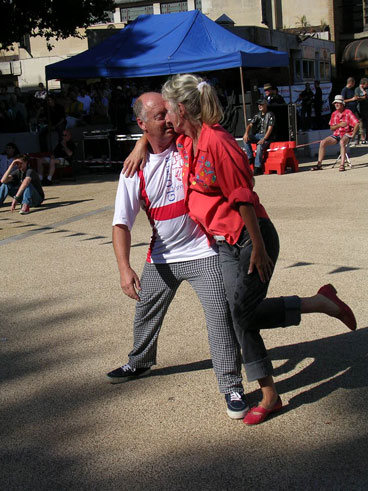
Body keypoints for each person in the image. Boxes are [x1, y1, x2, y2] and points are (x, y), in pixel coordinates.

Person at [127, 74, 357, 425]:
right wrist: (141, 142)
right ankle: (317, 302)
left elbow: (243, 199)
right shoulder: (190, 140)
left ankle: (269, 395)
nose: (166, 119)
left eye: (168, 111)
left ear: (182, 110)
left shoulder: (218, 142)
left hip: (250, 238)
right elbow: (156, 135)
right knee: (240, 314)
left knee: (240, 317)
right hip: (225, 243)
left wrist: (259, 249)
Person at [108, 92, 247, 420]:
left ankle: (231, 386)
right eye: (158, 117)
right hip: (162, 257)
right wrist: (124, 267)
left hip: (203, 252)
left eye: (169, 114)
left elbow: (207, 126)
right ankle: (139, 363)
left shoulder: (188, 145)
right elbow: (121, 224)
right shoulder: (133, 170)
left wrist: (144, 139)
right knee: (145, 313)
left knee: (219, 319)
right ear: (142, 123)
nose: (168, 121)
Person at [312, 95, 359, 172]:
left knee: (342, 142)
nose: (336, 104)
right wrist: (339, 125)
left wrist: (353, 134)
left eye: (338, 103)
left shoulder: (348, 112)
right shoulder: (334, 114)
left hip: (347, 133)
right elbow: (331, 128)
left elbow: (357, 123)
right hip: (337, 134)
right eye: (335, 103)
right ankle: (319, 164)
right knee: (323, 142)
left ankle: (342, 164)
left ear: (343, 104)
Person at [243, 99, 275, 175]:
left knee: (259, 146)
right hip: (258, 135)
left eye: (261, 104)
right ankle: (250, 158)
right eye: (258, 104)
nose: (259, 106)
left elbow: (270, 128)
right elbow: (250, 125)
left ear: (265, 104)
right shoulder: (258, 115)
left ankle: (258, 167)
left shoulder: (270, 115)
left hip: (268, 136)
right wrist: (246, 133)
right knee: (245, 140)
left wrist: (264, 139)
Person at [354, 78, 368, 144]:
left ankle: (365, 138)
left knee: (366, 124)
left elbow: (365, 97)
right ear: (362, 84)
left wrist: (362, 96)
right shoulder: (357, 89)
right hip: (359, 110)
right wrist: (363, 94)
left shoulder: (367, 89)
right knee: (361, 125)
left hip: (366, 109)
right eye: (366, 84)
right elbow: (357, 98)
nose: (367, 86)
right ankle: (361, 139)